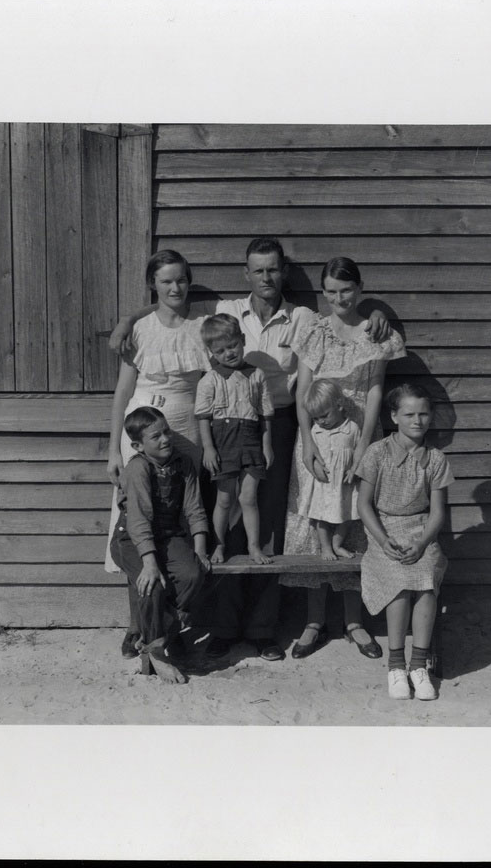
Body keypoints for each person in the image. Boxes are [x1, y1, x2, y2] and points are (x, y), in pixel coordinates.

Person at [109, 238, 392, 662]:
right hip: (221, 429)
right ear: (246, 274)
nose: (266, 278)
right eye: (257, 270)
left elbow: (346, 317)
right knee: (226, 520)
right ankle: (221, 627)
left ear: (283, 273)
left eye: (274, 269)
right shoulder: (226, 310)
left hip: (275, 426)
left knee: (270, 526)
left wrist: (379, 313)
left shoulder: (301, 317)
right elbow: (170, 309)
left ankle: (263, 630)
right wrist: (128, 319)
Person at [280, 256, 406, 660]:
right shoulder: (314, 331)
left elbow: (374, 391)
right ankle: (313, 621)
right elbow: (302, 393)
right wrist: (308, 443)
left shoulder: (375, 332)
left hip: (360, 438)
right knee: (316, 522)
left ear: (361, 288)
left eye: (346, 290)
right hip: (317, 439)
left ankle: (355, 622)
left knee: (354, 525)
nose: (339, 298)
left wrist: (366, 445)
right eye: (331, 292)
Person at [104, 250, 209, 660]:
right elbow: (122, 393)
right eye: (166, 281)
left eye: (181, 279)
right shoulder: (142, 330)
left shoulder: (201, 326)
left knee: (177, 524)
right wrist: (114, 447)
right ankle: (138, 627)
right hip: (143, 426)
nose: (175, 288)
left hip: (185, 427)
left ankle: (168, 625)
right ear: (154, 284)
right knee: (139, 526)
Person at [355, 383, 454, 700]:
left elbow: (437, 514)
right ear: (394, 416)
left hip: (421, 531)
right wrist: (383, 540)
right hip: (383, 530)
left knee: (425, 581)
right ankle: (396, 666)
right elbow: (363, 505)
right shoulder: (377, 453)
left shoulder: (436, 459)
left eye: (424, 414)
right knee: (399, 581)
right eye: (409, 414)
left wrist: (423, 543)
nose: (418, 420)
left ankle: (418, 665)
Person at [109, 407, 211, 684]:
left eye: (167, 431)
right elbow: (139, 519)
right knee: (152, 585)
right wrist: (150, 564)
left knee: (192, 574)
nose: (166, 439)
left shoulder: (184, 463)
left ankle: (159, 635)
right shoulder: (137, 468)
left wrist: (200, 551)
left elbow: (194, 508)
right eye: (156, 436)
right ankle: (157, 652)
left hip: (168, 535)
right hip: (131, 539)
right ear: (138, 445)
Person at [195, 314, 275, 568]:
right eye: (220, 350)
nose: (228, 353)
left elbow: (265, 414)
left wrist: (267, 445)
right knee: (224, 499)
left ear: (242, 340)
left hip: (251, 440)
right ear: (211, 352)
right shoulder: (210, 380)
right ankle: (219, 543)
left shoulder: (257, 375)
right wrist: (208, 447)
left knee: (249, 498)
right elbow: (203, 417)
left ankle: (253, 545)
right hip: (224, 442)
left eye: (232, 346)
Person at [298, 379, 362, 561]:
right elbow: (311, 456)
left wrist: (354, 471)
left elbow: (359, 453)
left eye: (324, 415)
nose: (321, 421)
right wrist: (317, 469)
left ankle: (337, 544)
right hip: (324, 484)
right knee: (322, 517)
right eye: (316, 418)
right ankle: (325, 548)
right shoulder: (315, 431)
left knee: (348, 515)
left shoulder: (352, 429)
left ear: (339, 405)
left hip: (345, 483)